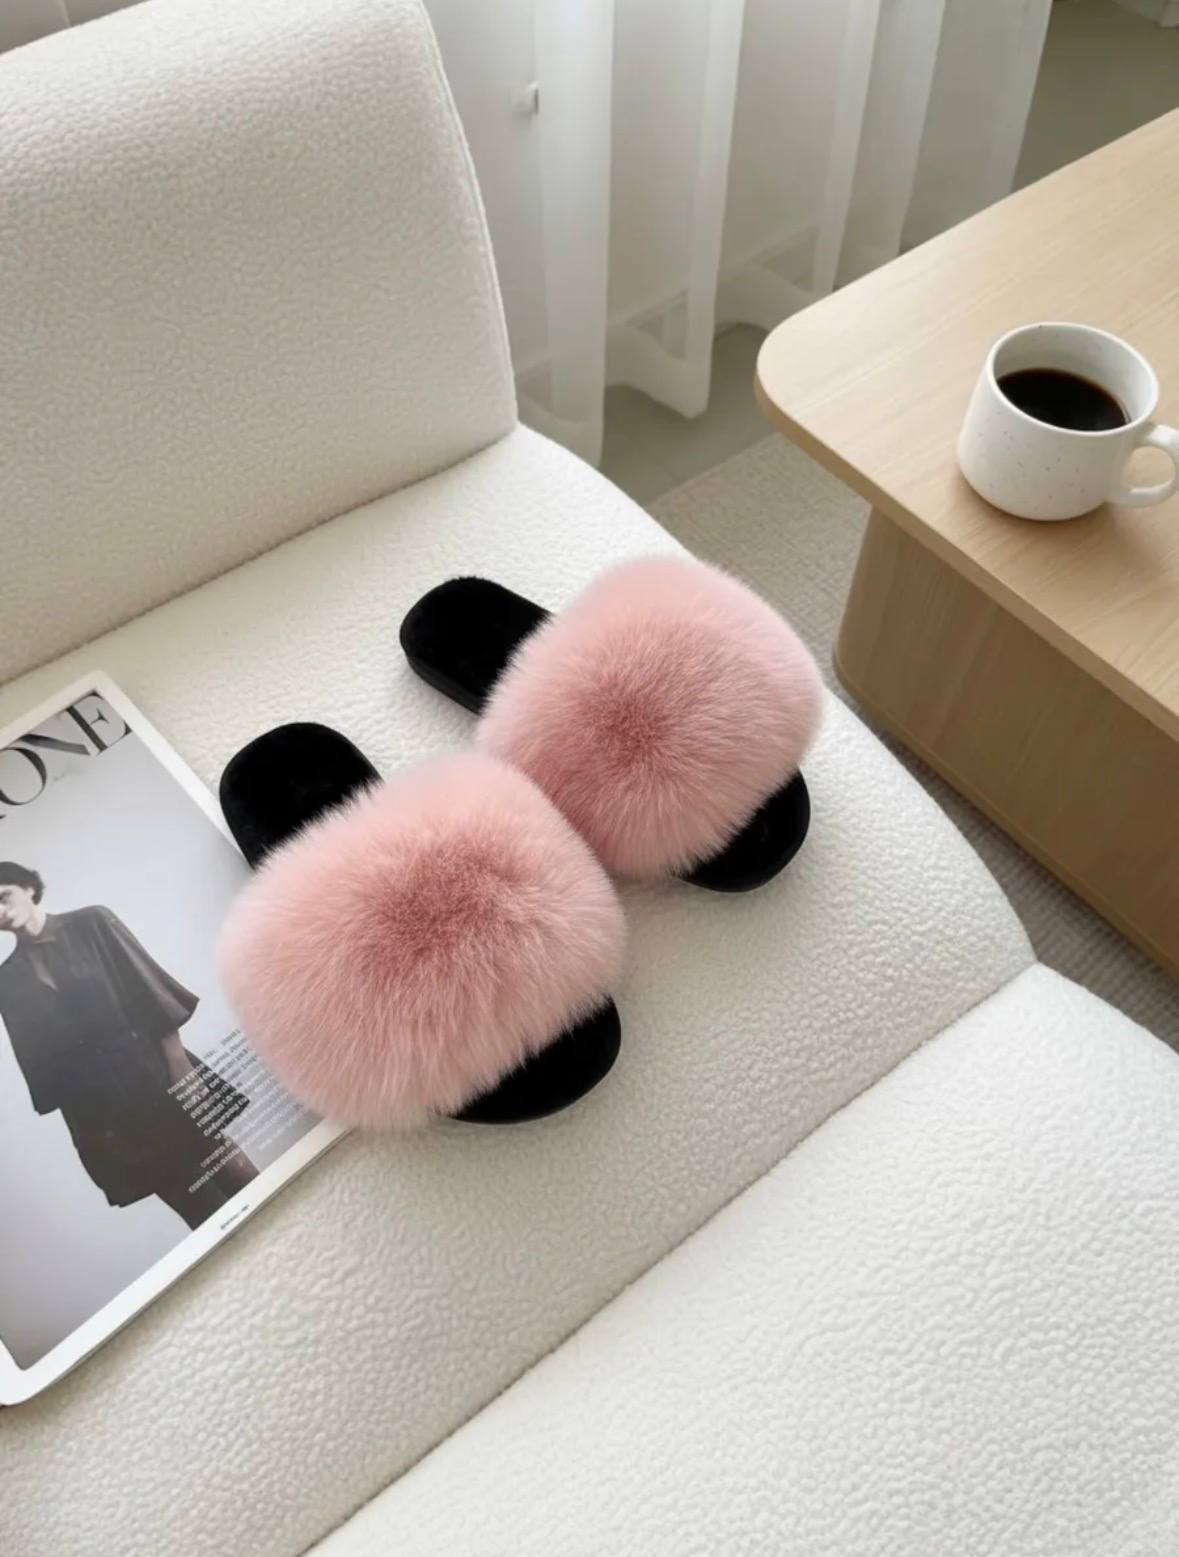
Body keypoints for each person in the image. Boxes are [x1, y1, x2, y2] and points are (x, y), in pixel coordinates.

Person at [0, 862, 257, 1231]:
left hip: (156, 1071)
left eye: (3, 897)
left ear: (28, 887)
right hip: (101, 1109)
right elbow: (41, 1064)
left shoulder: (91, 923)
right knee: (192, 1205)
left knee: (230, 1170)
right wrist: (88, 1133)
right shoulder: (7, 980)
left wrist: (181, 1073)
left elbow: (149, 993)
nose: (0, 911)